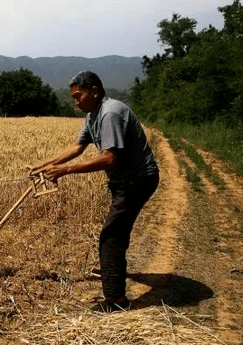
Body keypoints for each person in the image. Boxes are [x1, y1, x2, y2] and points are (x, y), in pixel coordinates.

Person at [31, 70, 159, 312]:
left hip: (137, 180)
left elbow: (109, 158)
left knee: (111, 236)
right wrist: (47, 164)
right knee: (117, 227)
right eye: (73, 97)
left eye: (78, 96)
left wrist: (65, 171)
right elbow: (78, 147)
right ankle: (110, 267)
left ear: (95, 91)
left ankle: (115, 301)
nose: (75, 102)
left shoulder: (110, 113)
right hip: (124, 180)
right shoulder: (93, 114)